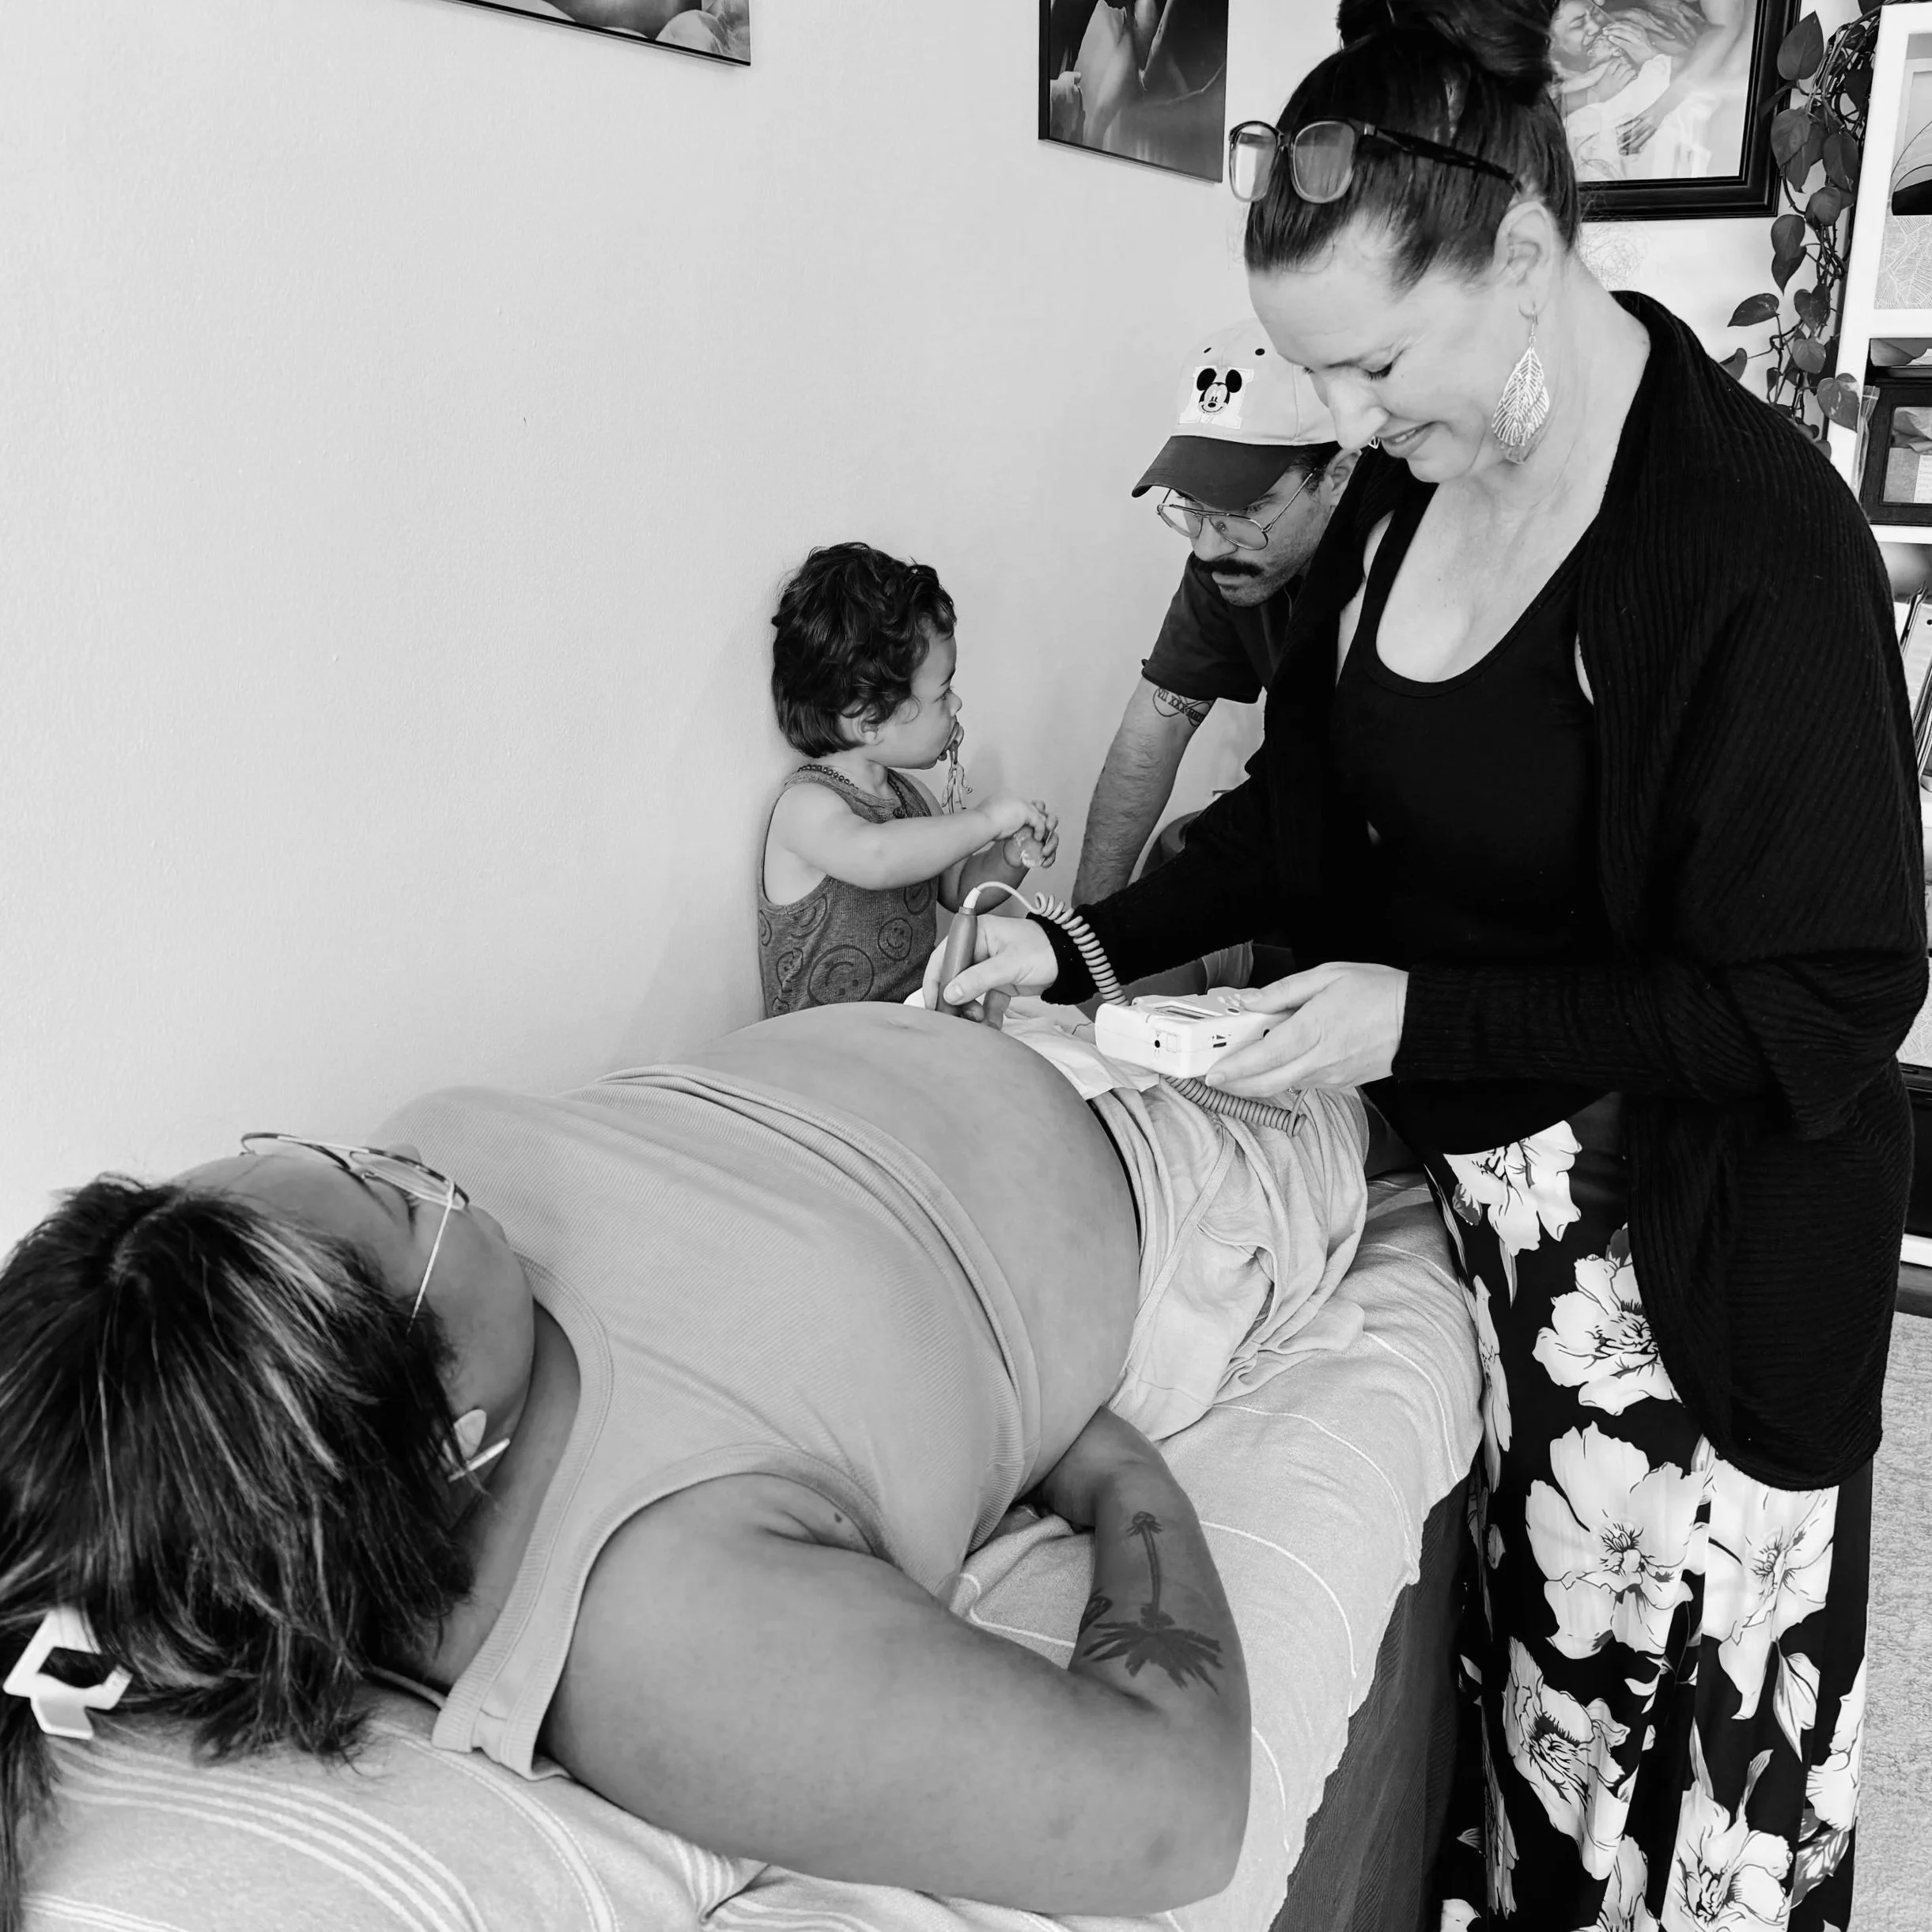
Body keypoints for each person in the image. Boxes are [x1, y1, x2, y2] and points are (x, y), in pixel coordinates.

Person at [930, 0, 1927, 1924]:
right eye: (1333, 385)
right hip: (1492, 1219)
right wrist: (1075, 942)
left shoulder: (1743, 547)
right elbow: (1298, 825)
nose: (1358, 429)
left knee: (1689, 1785)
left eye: (1379, 367)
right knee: (1544, 1712)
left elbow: (1825, 999)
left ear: (1530, 262)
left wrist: (1422, 1014)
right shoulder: (1395, 495)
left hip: (1697, 1256)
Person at [0, 1004, 1275, 1930]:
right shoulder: (667, 1621)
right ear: (448, 1447)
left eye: (333, 1155)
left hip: (976, 1019)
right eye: (399, 1198)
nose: (408, 1164)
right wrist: (1120, 1479)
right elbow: (1172, 1809)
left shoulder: (340, 1298)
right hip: (1173, 1157)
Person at [1073, 319, 1356, 911]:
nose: (1205, 546)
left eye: (1243, 510)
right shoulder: (1227, 560)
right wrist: (1085, 941)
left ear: (1337, 476)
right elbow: (1156, 727)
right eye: (1193, 508)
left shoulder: (1406, 564)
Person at [761, 542, 1057, 1015]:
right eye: (944, 694)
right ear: (870, 720)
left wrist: (1010, 853)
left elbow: (961, 890)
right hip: (815, 1053)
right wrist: (985, 820)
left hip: (907, 1035)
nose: (957, 704)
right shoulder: (807, 806)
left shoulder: (912, 799)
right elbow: (878, 855)